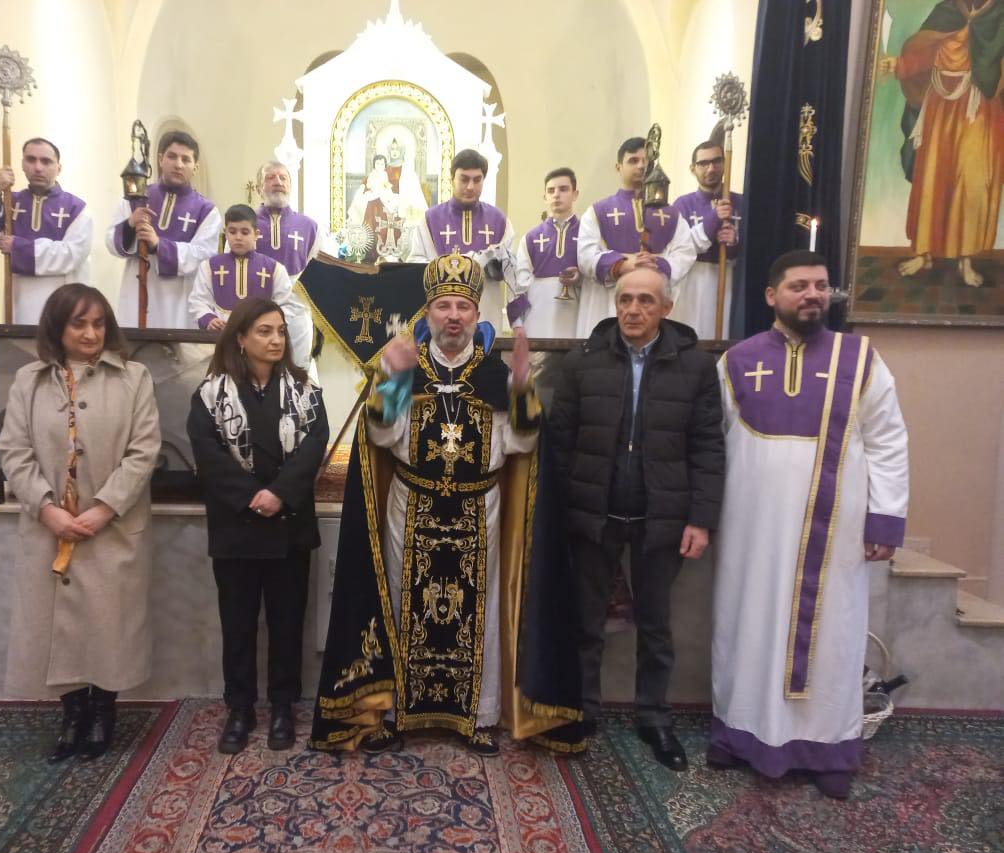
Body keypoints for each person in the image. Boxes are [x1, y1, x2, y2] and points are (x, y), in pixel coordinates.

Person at [310, 253, 583, 756]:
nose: (453, 316)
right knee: (402, 605)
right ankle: (398, 713)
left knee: (481, 612)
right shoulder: (404, 368)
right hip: (410, 509)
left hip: (481, 512)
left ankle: (476, 718)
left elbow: (522, 444)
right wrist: (392, 382)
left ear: (476, 315)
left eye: (463, 307)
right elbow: (381, 436)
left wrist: (523, 393)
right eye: (443, 306)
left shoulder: (497, 375)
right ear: (429, 313)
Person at [710, 250, 909, 799]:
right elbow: (712, 444)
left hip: (835, 531)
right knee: (746, 624)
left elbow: (889, 441)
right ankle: (739, 733)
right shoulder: (736, 362)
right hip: (752, 532)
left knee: (832, 634)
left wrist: (885, 519)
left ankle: (829, 748)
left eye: (820, 286)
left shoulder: (860, 360)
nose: (812, 295)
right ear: (771, 295)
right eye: (799, 286)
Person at [549, 267, 724, 770]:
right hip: (594, 516)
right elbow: (560, 443)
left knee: (655, 625)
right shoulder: (582, 362)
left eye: (645, 300)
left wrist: (700, 519)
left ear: (666, 308)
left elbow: (708, 448)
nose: (633, 309)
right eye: (625, 299)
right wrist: (563, 511)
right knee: (586, 623)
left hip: (661, 518)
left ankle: (654, 717)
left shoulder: (695, 367)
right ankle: (583, 711)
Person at [0, 283, 161, 762]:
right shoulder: (29, 381)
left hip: (112, 527)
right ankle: (72, 714)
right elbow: (14, 450)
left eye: (98, 323)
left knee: (110, 624)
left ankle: (104, 711)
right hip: (49, 528)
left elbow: (144, 450)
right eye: (79, 324)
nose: (91, 333)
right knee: (58, 625)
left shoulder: (134, 378)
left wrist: (105, 507)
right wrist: (46, 508)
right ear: (57, 327)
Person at [188, 297, 328, 755]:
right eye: (264, 331)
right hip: (237, 525)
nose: (275, 340)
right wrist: (251, 496)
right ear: (241, 338)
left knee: (287, 621)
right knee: (238, 623)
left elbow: (315, 444)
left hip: (289, 524)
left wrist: (279, 493)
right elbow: (207, 453)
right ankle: (241, 707)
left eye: (280, 331)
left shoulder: (306, 389)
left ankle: (284, 705)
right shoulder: (211, 394)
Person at [880, 0, 1002, 288]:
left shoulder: (1000, 17)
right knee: (932, 177)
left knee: (971, 181)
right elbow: (925, 51)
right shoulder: (947, 10)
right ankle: (923, 254)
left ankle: (965, 259)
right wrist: (900, 64)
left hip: (978, 106)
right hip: (940, 105)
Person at [576, 137, 698, 337]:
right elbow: (586, 255)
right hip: (607, 302)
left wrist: (655, 266)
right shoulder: (598, 211)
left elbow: (685, 252)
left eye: (646, 161)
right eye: (633, 160)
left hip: (653, 296)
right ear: (618, 167)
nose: (641, 166)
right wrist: (622, 265)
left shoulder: (671, 214)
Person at [106, 130, 221, 328]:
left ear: (195, 167)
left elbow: (203, 256)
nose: (178, 164)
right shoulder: (136, 198)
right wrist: (130, 225)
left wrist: (159, 245)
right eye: (172, 156)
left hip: (179, 299)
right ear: (160, 159)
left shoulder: (206, 210)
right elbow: (110, 241)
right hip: (136, 292)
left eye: (186, 159)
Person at [0, 138, 91, 324]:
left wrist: (18, 247)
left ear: (59, 168)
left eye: (46, 161)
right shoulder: (11, 202)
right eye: (31, 160)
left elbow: (72, 255)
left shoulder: (76, 208)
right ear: (22, 164)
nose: (38, 167)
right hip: (20, 301)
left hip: (62, 301)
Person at [188, 204, 315, 369]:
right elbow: (198, 300)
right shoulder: (210, 266)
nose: (238, 237)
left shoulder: (274, 269)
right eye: (232, 231)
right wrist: (209, 319)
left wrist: (267, 326)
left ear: (256, 234)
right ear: (225, 233)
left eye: (245, 232)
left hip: (261, 346)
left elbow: (286, 305)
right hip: (222, 341)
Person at [411, 149, 516, 328]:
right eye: (464, 179)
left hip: (486, 314)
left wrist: (497, 268)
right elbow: (415, 263)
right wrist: (446, 267)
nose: (470, 187)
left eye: (477, 180)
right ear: (452, 179)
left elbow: (512, 271)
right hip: (443, 317)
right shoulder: (430, 220)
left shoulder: (500, 221)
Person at [671, 141, 741, 339]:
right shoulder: (682, 205)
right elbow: (678, 247)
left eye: (716, 161)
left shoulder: (741, 202)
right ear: (693, 168)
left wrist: (736, 241)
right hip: (695, 282)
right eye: (703, 163)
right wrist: (712, 221)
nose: (711, 168)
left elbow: (756, 246)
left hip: (731, 279)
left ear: (725, 164)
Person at [513, 167, 583, 338]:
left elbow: (595, 277)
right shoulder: (530, 238)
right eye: (551, 191)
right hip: (537, 317)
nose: (556, 195)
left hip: (576, 316)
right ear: (545, 197)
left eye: (563, 189)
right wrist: (517, 323)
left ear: (575, 194)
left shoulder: (587, 234)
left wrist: (580, 278)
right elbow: (518, 284)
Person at [256, 161, 322, 278]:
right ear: (259, 189)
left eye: (283, 178)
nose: (278, 182)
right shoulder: (243, 224)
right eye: (270, 177)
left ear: (290, 187)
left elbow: (317, 273)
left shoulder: (310, 227)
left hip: (295, 290)